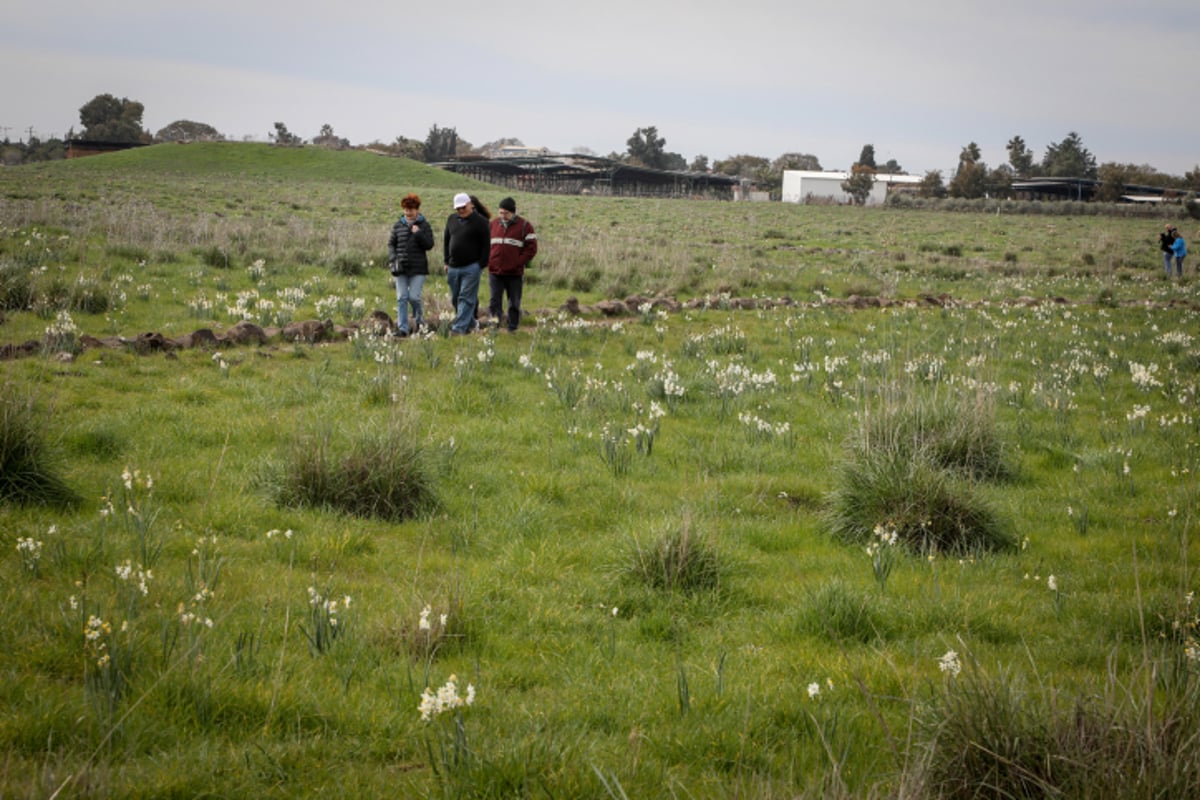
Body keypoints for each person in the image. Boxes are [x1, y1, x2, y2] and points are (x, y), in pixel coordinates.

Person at [487, 197, 538, 332]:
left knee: (514, 302)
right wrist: (489, 260)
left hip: (514, 273)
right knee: (494, 301)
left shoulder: (525, 226)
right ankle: (494, 326)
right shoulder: (492, 225)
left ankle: (512, 327)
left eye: (506, 213)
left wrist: (518, 262)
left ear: (513, 212)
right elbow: (485, 245)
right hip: (495, 271)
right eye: (501, 213)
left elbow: (531, 249)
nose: (503, 216)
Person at [387, 193, 435, 336]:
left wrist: (419, 233)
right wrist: (393, 258)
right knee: (401, 297)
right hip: (400, 268)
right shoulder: (397, 226)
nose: (408, 213)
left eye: (411, 210)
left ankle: (419, 321)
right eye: (406, 210)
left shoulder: (424, 225)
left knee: (414, 297)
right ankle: (403, 329)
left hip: (418, 268)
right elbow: (391, 244)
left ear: (417, 210)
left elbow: (429, 245)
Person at [443, 192, 490, 335]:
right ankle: (472, 324)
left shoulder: (481, 222)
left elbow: (486, 245)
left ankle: (458, 329)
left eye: (463, 207)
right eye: (458, 208)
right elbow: (446, 241)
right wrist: (446, 261)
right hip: (453, 266)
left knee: (466, 297)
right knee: (456, 298)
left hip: (471, 267)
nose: (461, 210)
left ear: (470, 205)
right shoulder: (451, 219)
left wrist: (480, 265)